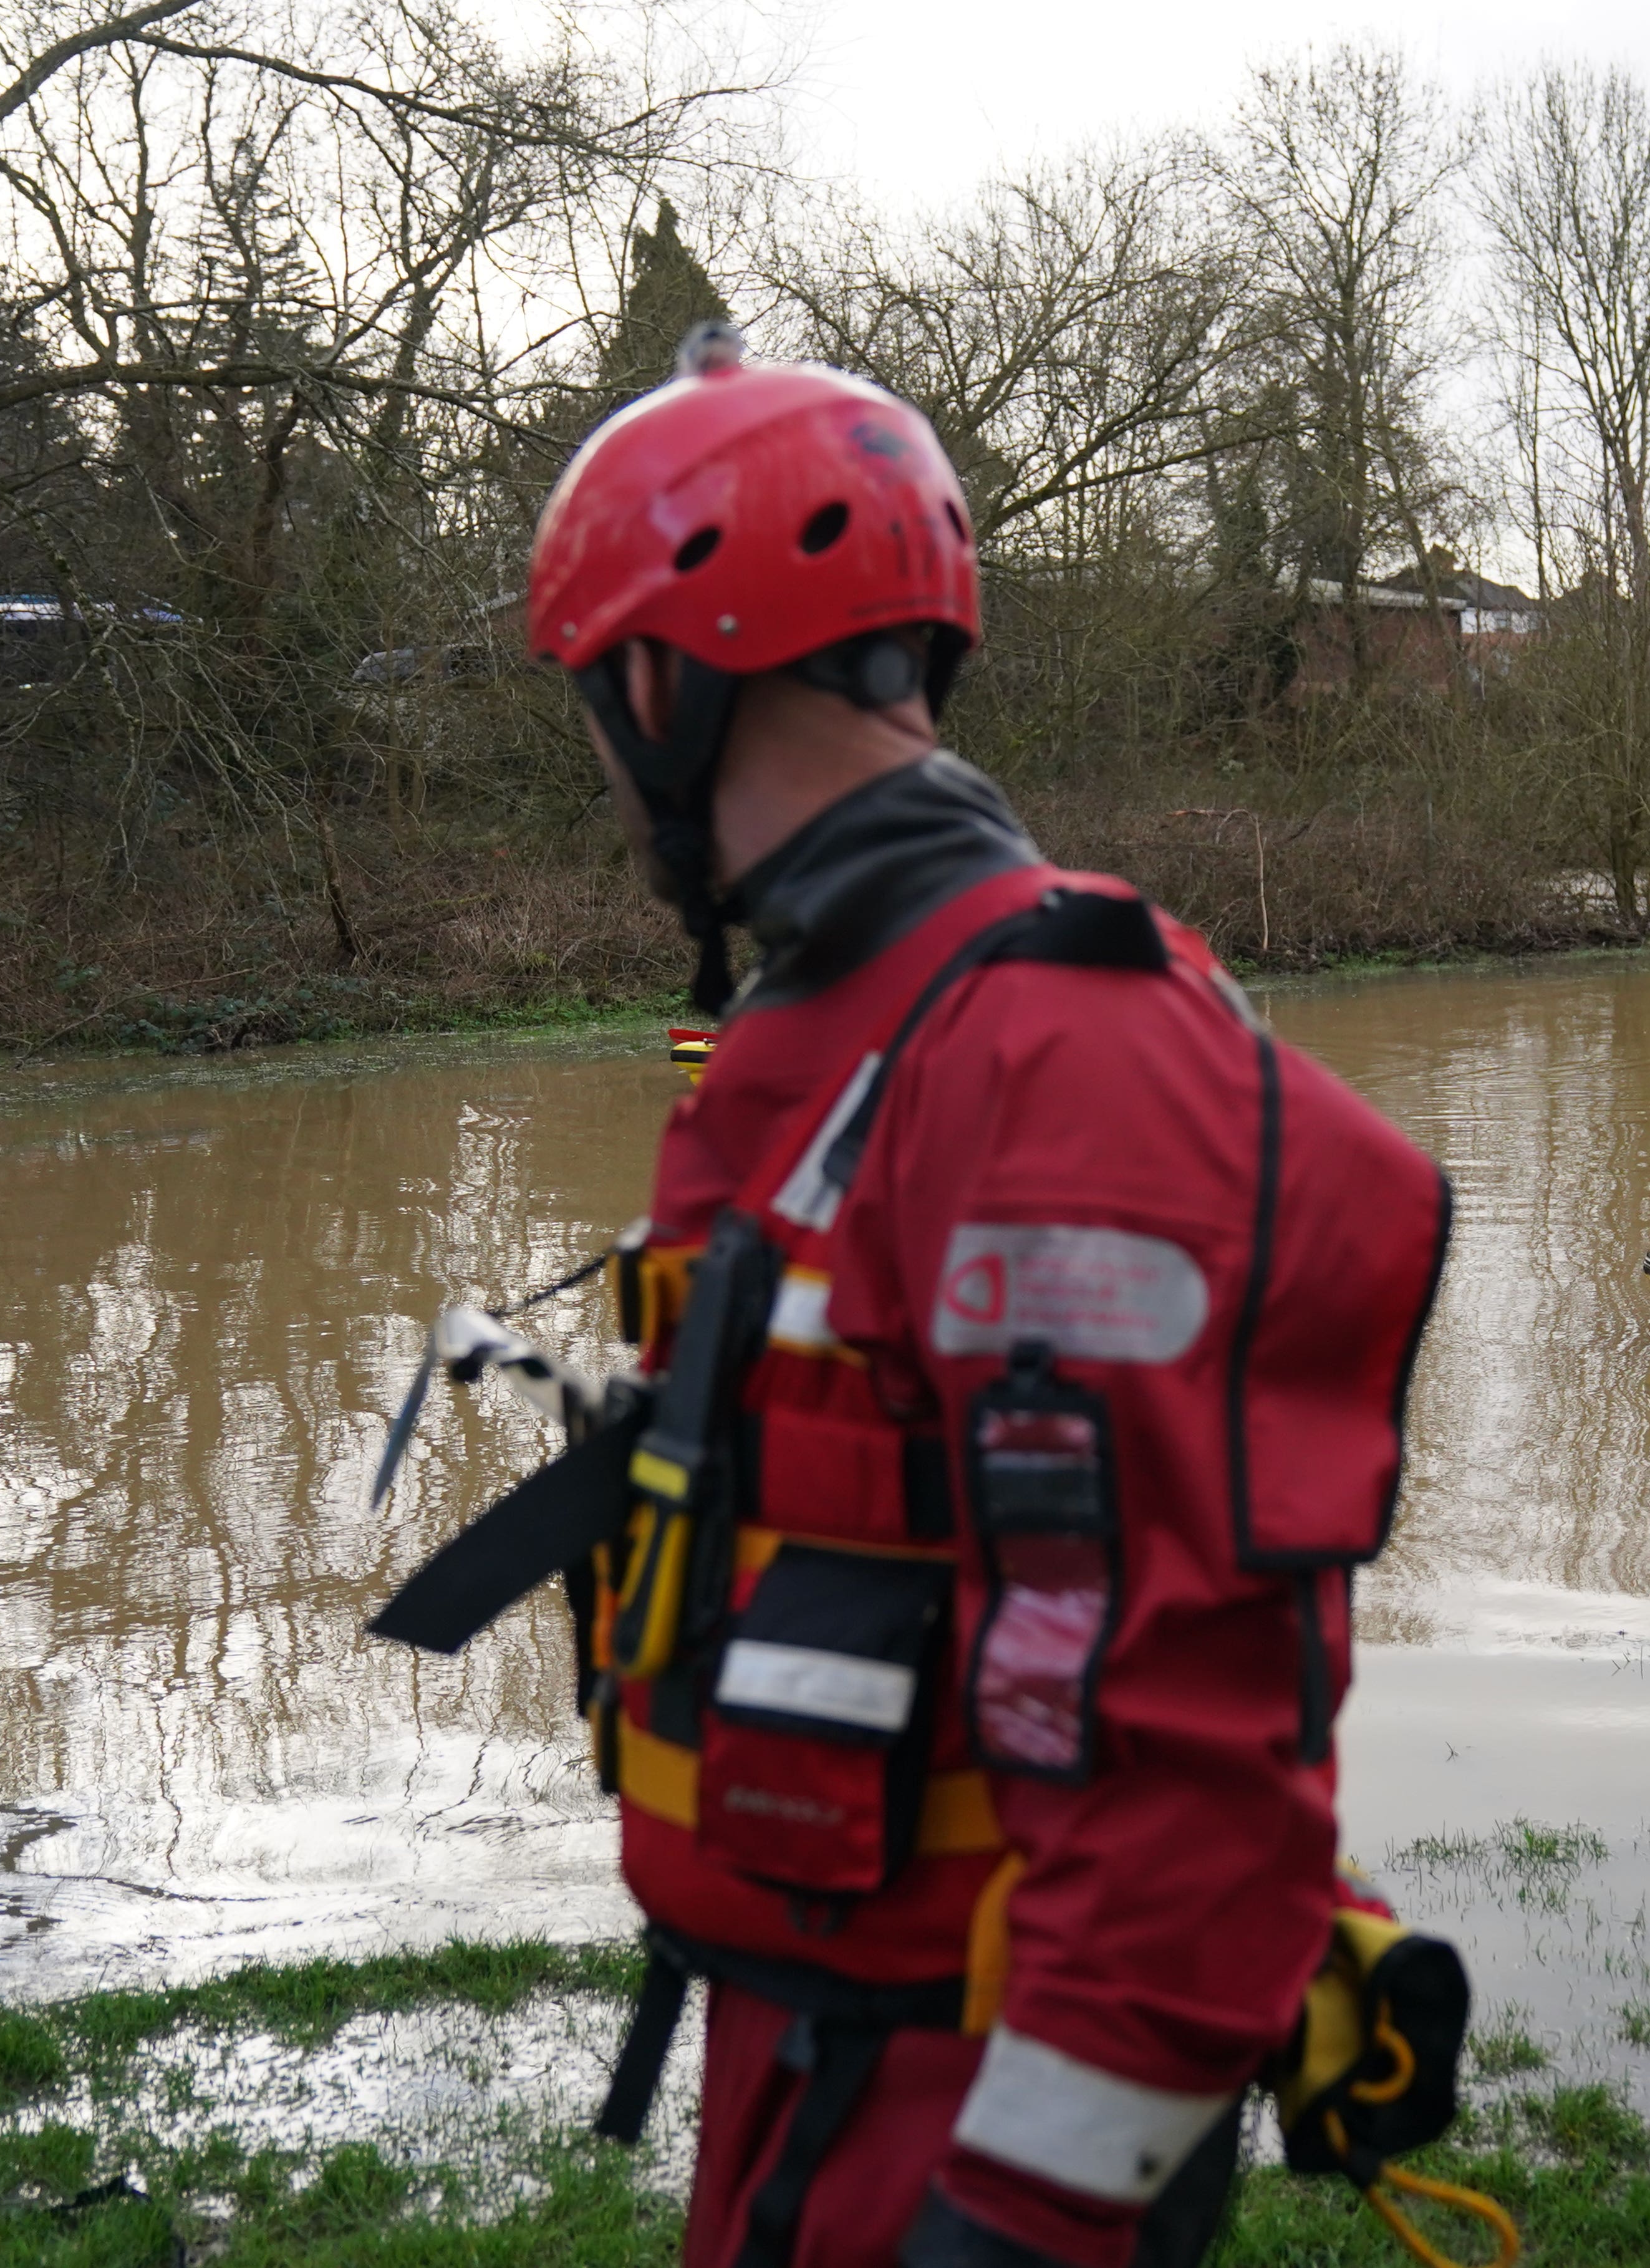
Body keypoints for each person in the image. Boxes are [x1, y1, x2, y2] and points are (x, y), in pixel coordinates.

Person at [506, 326, 1453, 2268]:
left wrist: (1013, 2224)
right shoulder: (836, 1025)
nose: (601, 764)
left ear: (666, 683)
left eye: (597, 705)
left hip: (964, 2106)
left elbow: (1189, 1777)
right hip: (808, 2057)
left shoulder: (1051, 1058)